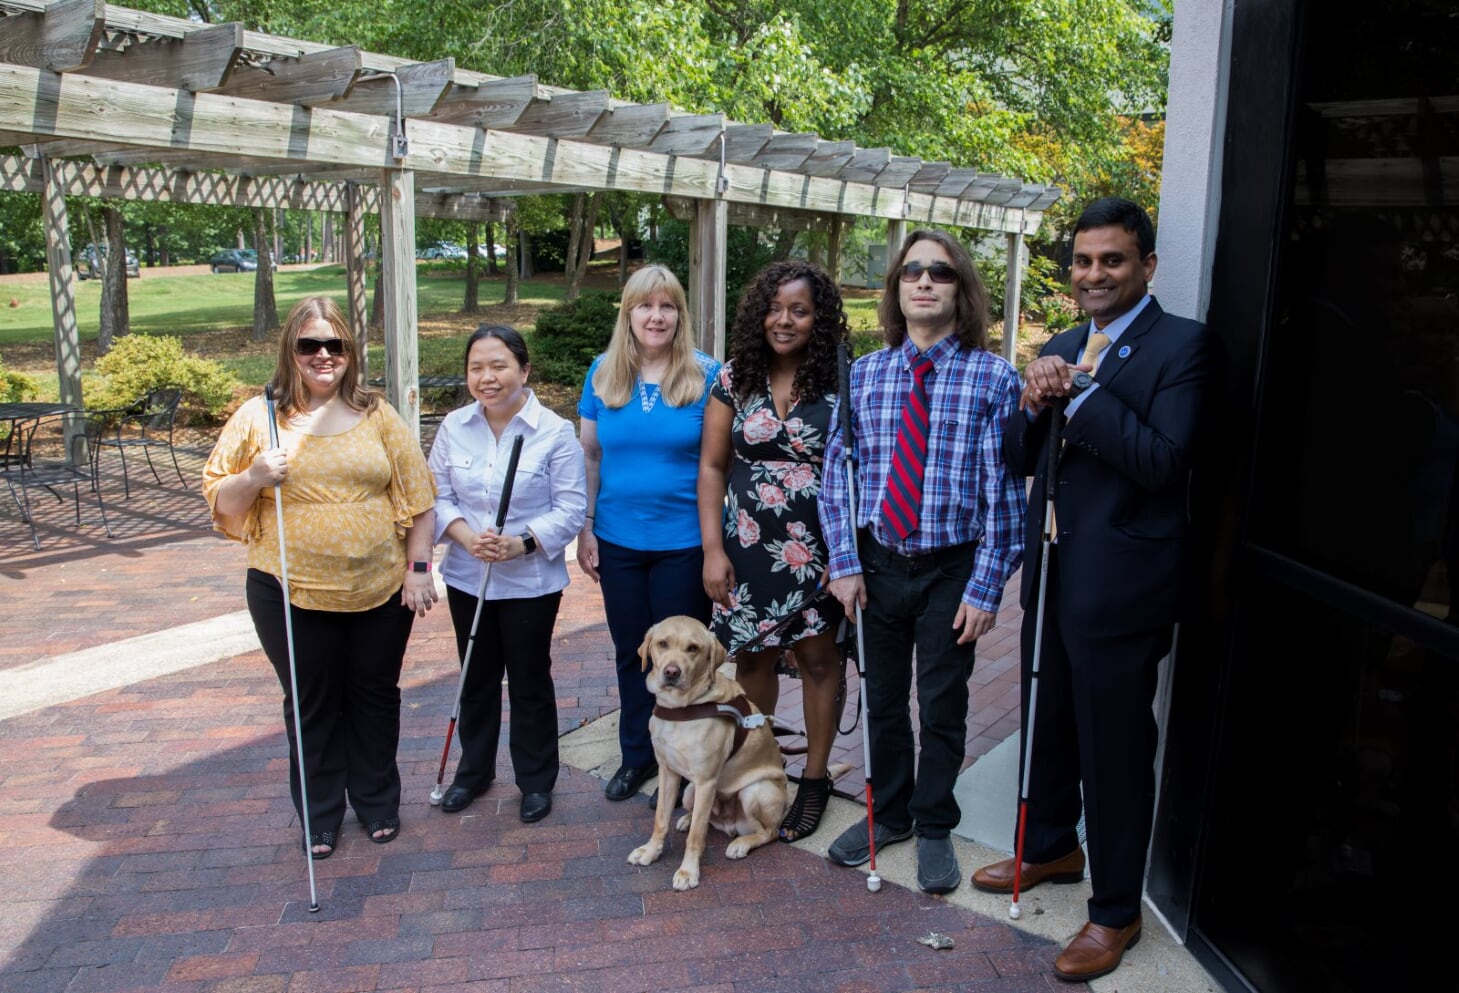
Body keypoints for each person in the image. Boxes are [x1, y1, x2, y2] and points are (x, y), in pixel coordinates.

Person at [971, 198, 1209, 982]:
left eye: (1110, 259)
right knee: (1049, 724)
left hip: (1124, 587)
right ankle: (1048, 848)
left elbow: (1164, 461)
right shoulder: (1063, 342)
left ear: (1145, 264)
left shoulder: (1184, 346)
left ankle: (1113, 910)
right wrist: (1034, 398)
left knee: (1112, 748)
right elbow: (1015, 457)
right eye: (1081, 261)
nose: (1092, 274)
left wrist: (1078, 394)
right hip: (1055, 575)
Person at [819, 230, 1026, 894]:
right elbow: (836, 479)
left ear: (960, 289)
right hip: (878, 564)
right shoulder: (865, 375)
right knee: (882, 699)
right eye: (912, 272)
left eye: (939, 271)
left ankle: (933, 821)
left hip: (950, 569)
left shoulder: (993, 377)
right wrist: (845, 563)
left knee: (941, 701)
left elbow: (1004, 494)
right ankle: (891, 813)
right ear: (896, 289)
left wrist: (986, 586)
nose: (924, 281)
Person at [203, 296, 437, 858]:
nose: (324, 355)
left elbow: (421, 499)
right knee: (312, 701)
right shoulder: (260, 416)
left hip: (380, 588)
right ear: (291, 350)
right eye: (310, 344)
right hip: (289, 588)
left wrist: (419, 569)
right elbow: (219, 496)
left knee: (375, 696)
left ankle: (378, 801)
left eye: (336, 344)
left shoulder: (377, 413)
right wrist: (256, 475)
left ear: (351, 352)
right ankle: (321, 813)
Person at [698, 259, 849, 843]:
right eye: (774, 307)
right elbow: (712, 466)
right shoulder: (735, 377)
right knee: (753, 662)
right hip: (746, 547)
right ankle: (763, 768)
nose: (784, 321)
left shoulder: (840, 378)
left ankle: (812, 779)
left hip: (819, 548)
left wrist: (848, 559)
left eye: (800, 310)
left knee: (818, 662)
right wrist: (713, 549)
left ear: (820, 318)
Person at [428, 325, 587, 824]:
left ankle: (536, 780)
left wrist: (521, 542)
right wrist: (463, 536)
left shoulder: (556, 433)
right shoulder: (455, 426)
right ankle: (473, 772)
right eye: (477, 367)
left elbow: (570, 507)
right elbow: (435, 496)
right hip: (466, 574)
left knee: (528, 678)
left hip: (530, 582)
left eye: (498, 366)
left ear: (524, 370)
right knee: (475, 676)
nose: (486, 377)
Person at [578, 264, 719, 801]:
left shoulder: (706, 375)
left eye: (667, 307)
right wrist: (587, 528)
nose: (656, 316)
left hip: (684, 544)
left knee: (686, 659)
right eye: (645, 306)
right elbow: (590, 454)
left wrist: (713, 547)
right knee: (632, 652)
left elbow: (720, 462)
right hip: (618, 541)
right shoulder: (603, 372)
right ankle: (638, 754)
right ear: (628, 313)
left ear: (679, 315)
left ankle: (689, 759)